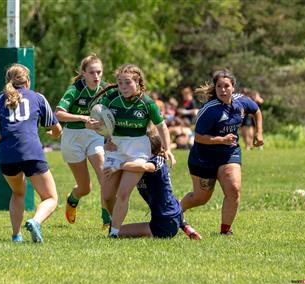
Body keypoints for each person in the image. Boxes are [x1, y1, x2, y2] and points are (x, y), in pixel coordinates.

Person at [92, 63, 176, 238]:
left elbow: (161, 126)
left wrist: (167, 149)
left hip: (138, 151)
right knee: (107, 196)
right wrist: (101, 134)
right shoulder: (111, 99)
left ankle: (114, 232)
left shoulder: (147, 103)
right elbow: (98, 121)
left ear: (138, 82)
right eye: (120, 83)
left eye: (128, 82)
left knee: (123, 193)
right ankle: (115, 220)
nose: (123, 87)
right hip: (115, 148)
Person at [0, 64, 62, 243]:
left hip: (7, 156)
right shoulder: (38, 97)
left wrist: (3, 139)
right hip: (31, 152)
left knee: (18, 192)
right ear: (28, 81)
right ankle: (35, 222)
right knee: (50, 197)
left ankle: (16, 235)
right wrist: (55, 134)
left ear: (7, 82)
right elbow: (56, 128)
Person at [180, 69, 264, 235]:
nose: (223, 89)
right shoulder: (210, 109)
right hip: (204, 157)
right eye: (219, 86)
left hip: (229, 153)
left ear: (233, 87)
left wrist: (259, 133)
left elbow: (256, 111)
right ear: (215, 88)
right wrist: (220, 139)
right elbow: (198, 137)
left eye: (226, 86)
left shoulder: (241, 101)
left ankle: (225, 231)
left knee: (234, 188)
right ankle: (173, 210)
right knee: (200, 198)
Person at [103, 133, 201, 239]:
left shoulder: (157, 159)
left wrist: (119, 165)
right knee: (167, 204)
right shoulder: (137, 164)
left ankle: (175, 227)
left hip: (163, 224)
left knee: (116, 231)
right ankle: (186, 227)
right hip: (175, 213)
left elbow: (147, 167)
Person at [55, 54, 111, 228]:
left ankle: (107, 219)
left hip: (94, 136)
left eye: (99, 72)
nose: (96, 76)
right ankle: (72, 199)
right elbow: (58, 113)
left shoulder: (105, 90)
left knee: (105, 177)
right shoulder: (75, 90)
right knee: (85, 187)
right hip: (72, 137)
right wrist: (82, 117)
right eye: (92, 72)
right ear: (83, 73)